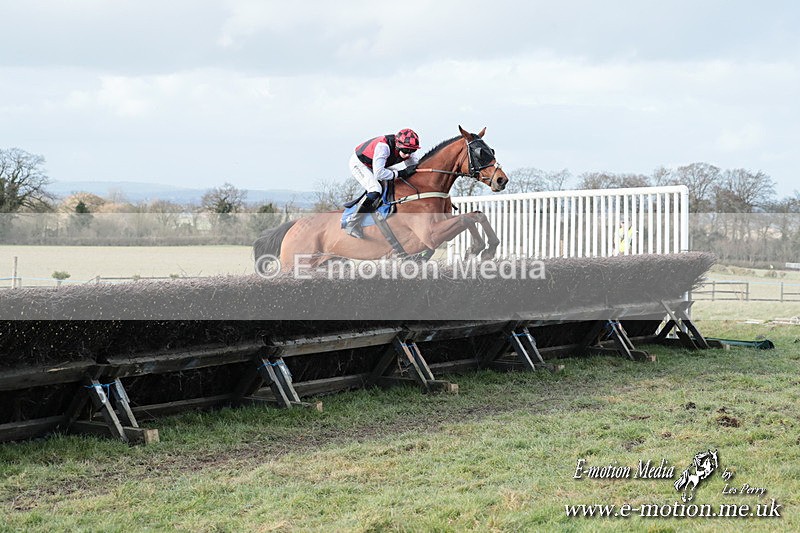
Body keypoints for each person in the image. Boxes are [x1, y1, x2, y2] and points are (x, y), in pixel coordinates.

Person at [344, 128, 421, 238]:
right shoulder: (383, 147)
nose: (407, 155)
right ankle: (352, 223)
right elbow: (379, 174)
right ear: (398, 145)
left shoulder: (407, 149)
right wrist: (401, 173)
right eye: (405, 151)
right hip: (360, 164)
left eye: (412, 151)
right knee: (375, 189)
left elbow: (414, 168)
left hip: (376, 166)